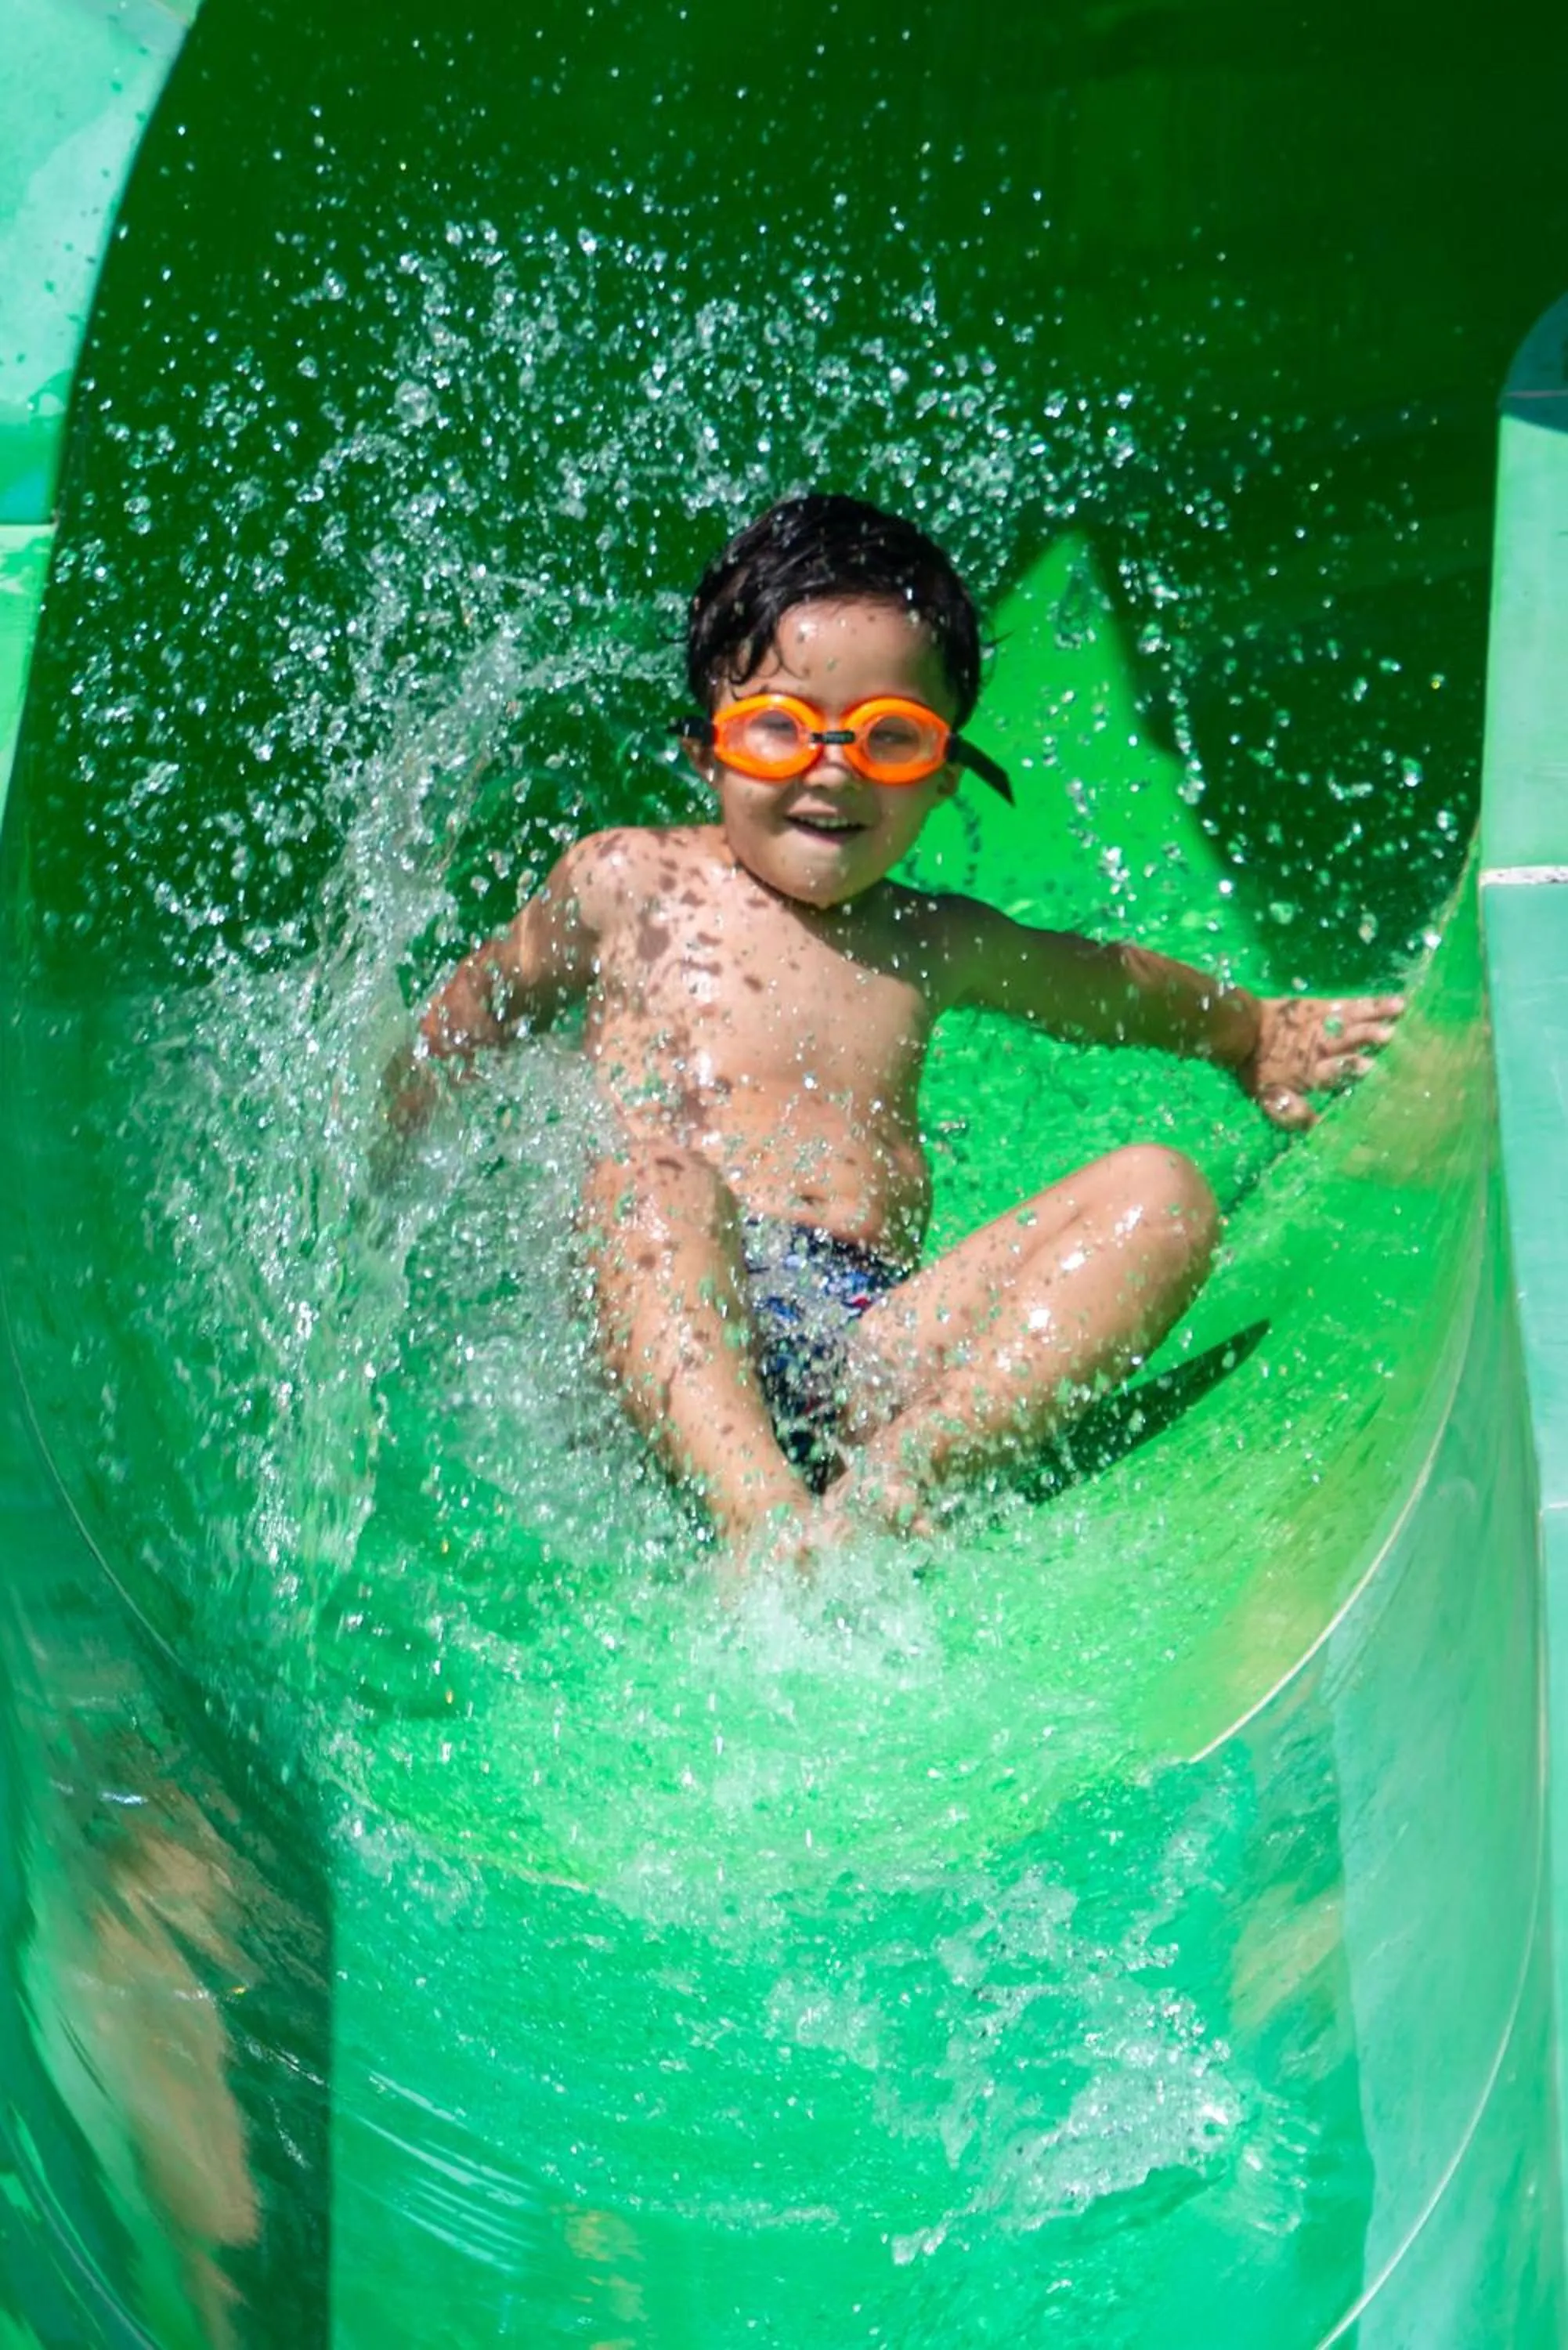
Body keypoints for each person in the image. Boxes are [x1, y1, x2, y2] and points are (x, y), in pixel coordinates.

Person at [385, 494, 1402, 1556]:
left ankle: (910, 1469)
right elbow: (478, 1009)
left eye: (889, 738)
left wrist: (1248, 1033)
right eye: (779, 729)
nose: (832, 770)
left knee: (1164, 1195)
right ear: (706, 752)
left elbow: (1109, 986)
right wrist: (382, 1148)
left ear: (944, 772)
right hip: (673, 1336)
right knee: (648, 1182)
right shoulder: (626, 882)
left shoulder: (932, 940)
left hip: (869, 1342)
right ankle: (760, 1516)